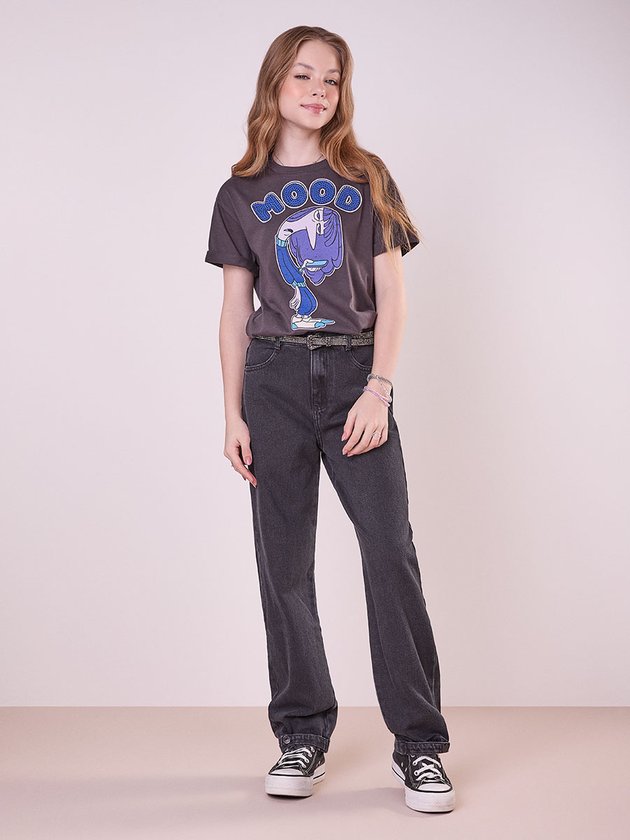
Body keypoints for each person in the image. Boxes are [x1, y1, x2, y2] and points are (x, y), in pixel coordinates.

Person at [204, 25, 456, 814]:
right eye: (304, 76)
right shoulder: (239, 193)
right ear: (274, 83)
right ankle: (301, 734)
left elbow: (394, 295)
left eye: (333, 79)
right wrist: (232, 413)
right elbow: (234, 311)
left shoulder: (366, 177)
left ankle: (420, 747)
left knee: (389, 552)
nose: (319, 91)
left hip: (354, 378)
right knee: (283, 565)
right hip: (273, 381)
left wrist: (379, 388)